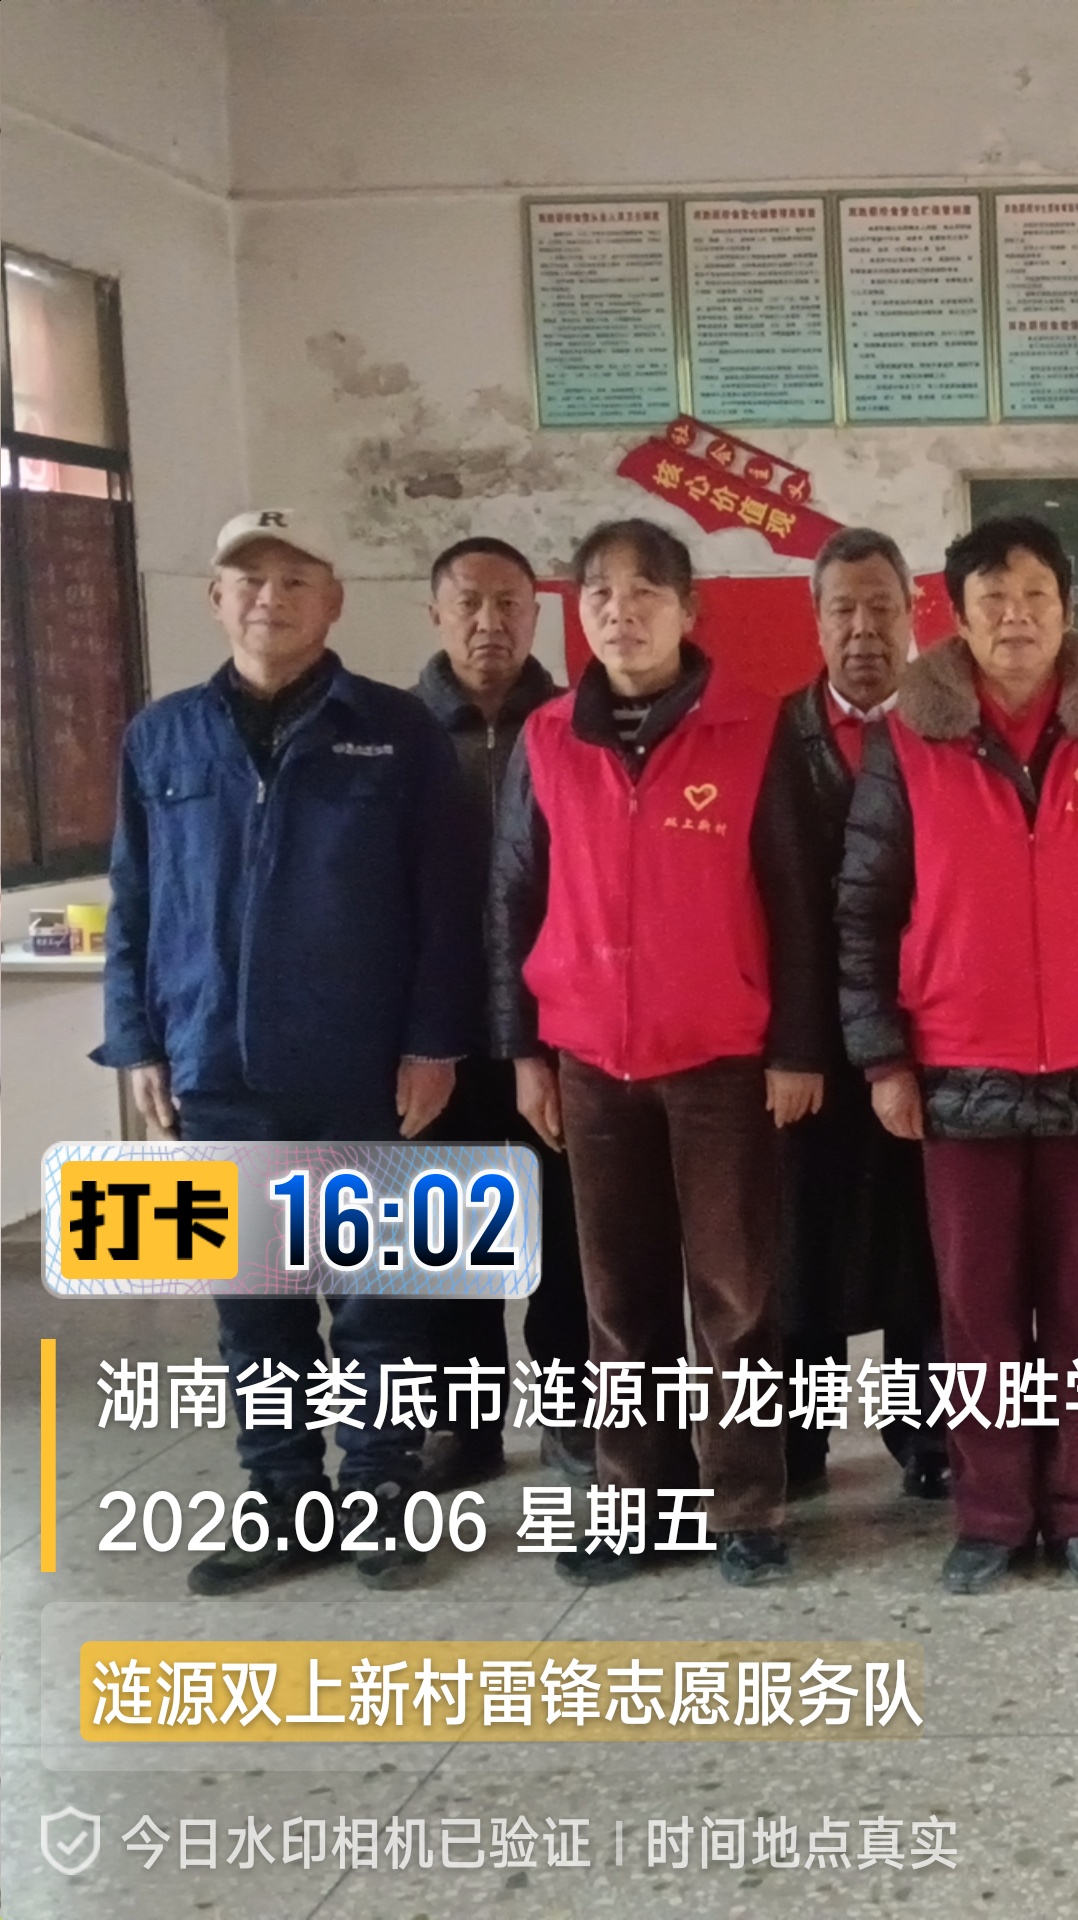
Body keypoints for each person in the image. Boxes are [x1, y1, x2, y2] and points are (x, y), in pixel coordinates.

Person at [96, 508, 479, 1595]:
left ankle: (380, 1491)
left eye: (295, 579)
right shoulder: (161, 738)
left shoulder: (398, 732)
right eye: (249, 579)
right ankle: (283, 1497)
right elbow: (133, 903)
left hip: (363, 1068)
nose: (271, 597)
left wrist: (433, 1041)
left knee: (379, 1299)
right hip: (215, 1068)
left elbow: (445, 905)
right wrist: (137, 1041)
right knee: (254, 1306)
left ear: (334, 601)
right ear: (217, 600)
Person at [837, 515, 1078, 1596]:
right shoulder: (911, 740)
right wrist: (882, 1058)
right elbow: (865, 905)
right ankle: (991, 1512)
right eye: (992, 599)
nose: (1016, 617)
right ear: (958, 616)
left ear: (1068, 608)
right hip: (958, 1063)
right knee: (976, 1312)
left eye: (1035, 595)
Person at [489, 517, 836, 1589]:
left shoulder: (751, 727)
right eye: (599, 593)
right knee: (617, 1300)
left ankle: (746, 1505)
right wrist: (525, 1052)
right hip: (592, 1060)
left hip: (722, 1060)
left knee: (734, 1297)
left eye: (646, 592)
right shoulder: (549, 737)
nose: (621, 611)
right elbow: (513, 896)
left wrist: (796, 1047)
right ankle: (634, 1501)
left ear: (689, 609)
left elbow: (795, 899)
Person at [410, 535, 593, 1489]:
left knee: (566, 1237)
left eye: (511, 604)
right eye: (469, 604)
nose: (491, 623)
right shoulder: (398, 735)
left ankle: (573, 1420)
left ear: (537, 614)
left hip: (553, 1027)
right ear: (436, 614)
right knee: (450, 1240)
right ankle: (464, 1424)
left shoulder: (574, 726)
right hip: (439, 1033)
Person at [775, 526, 949, 1503]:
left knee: (924, 1247)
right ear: (815, 620)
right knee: (800, 1249)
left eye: (881, 606)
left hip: (924, 1037)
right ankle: (794, 1440)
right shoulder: (772, 740)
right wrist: (788, 1043)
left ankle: (929, 1435)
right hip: (805, 1049)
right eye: (842, 609)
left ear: (913, 612)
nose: (863, 629)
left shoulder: (948, 732)